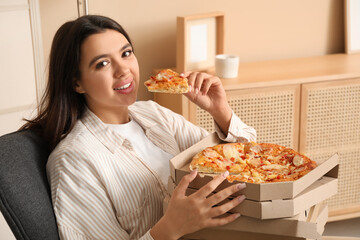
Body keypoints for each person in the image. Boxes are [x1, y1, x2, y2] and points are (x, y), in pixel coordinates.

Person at [21, 15, 256, 240]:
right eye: (102, 63)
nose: (123, 70)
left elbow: (246, 165)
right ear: (77, 82)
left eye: (126, 53)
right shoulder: (73, 160)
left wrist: (221, 111)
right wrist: (169, 229)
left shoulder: (154, 113)